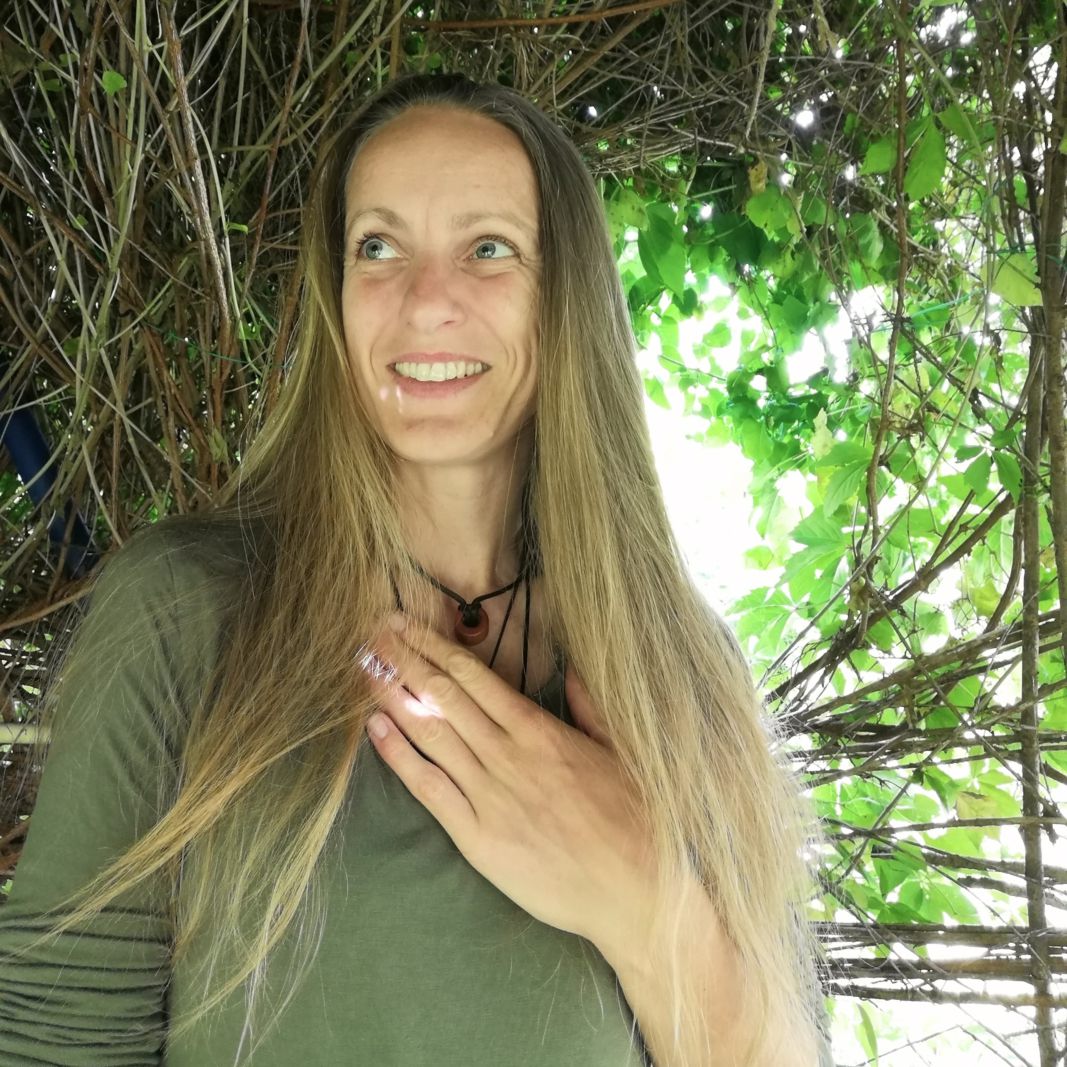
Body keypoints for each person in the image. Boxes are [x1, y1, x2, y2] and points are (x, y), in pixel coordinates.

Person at [0, 73, 835, 1066]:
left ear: (562, 295)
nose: (425, 301)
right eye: (378, 246)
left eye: (488, 247)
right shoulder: (184, 611)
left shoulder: (683, 669)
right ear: (336, 296)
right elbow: (52, 1046)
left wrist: (646, 906)